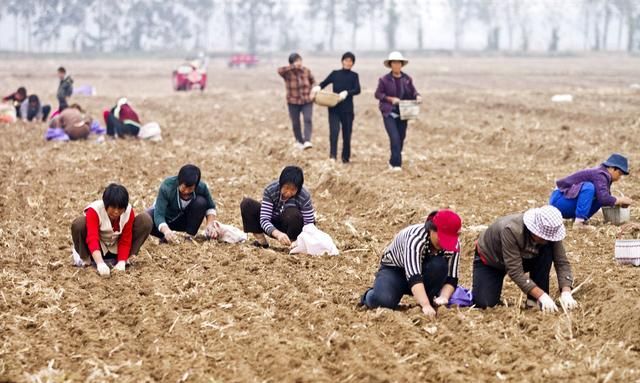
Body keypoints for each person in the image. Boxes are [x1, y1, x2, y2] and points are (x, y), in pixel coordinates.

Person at [472, 206, 578, 312]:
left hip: (525, 257)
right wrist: (542, 295)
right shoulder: (511, 229)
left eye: (548, 237)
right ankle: (539, 297)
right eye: (542, 237)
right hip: (492, 261)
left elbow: (562, 262)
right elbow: (515, 271)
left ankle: (534, 302)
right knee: (485, 304)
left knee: (547, 250)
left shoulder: (551, 233)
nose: (545, 240)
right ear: (533, 229)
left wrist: (566, 291)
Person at [359, 210, 462, 318]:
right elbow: (414, 277)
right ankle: (368, 296)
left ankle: (428, 298)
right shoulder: (415, 238)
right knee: (383, 301)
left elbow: (452, 278)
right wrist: (425, 305)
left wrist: (444, 297)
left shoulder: (454, 245)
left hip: (425, 271)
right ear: (431, 229)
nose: (444, 244)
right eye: (442, 238)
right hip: (396, 271)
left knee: (439, 265)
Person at [71, 183, 152, 277]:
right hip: (97, 248)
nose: (116, 212)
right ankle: (87, 261)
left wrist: (121, 261)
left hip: (116, 246)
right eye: (113, 207)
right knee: (79, 224)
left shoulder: (128, 212)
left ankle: (126, 259)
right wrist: (100, 263)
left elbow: (125, 239)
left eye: (120, 208)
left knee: (145, 220)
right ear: (106, 204)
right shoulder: (94, 210)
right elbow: (92, 238)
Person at [550, 153, 633, 230]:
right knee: (589, 187)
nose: (619, 177)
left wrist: (618, 203)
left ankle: (578, 219)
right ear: (612, 168)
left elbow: (605, 199)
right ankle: (579, 222)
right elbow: (604, 198)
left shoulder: (603, 175)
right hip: (559, 200)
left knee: (600, 196)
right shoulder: (600, 174)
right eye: (619, 173)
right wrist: (621, 200)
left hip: (564, 203)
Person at [240, 166, 315, 248]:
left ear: (299, 188)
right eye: (286, 188)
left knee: (294, 214)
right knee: (247, 204)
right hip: (272, 223)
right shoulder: (271, 190)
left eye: (293, 190)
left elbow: (309, 224)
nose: (288, 192)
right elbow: (264, 219)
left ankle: (293, 244)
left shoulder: (304, 196)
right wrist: (278, 234)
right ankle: (261, 242)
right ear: (281, 184)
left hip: (291, 225)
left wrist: (300, 240)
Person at [374, 51, 422, 171]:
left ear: (401, 64)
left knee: (401, 138)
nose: (396, 65)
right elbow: (378, 94)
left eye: (398, 63)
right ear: (390, 65)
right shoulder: (384, 80)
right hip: (389, 113)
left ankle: (392, 161)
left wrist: (418, 96)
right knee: (394, 137)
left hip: (403, 112)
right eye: (394, 63)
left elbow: (413, 91)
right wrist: (390, 99)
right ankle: (397, 165)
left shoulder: (407, 79)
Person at [147, 164, 219, 243]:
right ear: (179, 181)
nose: (186, 191)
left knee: (201, 202)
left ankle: (188, 237)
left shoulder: (202, 187)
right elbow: (159, 214)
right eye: (184, 187)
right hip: (166, 220)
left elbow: (210, 207)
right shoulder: (167, 186)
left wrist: (209, 225)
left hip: (184, 221)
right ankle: (166, 237)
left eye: (190, 188)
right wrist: (166, 231)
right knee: (147, 217)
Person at [314, 52, 361, 163]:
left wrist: (347, 93)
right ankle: (333, 156)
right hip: (334, 108)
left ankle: (345, 158)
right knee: (334, 132)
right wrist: (318, 87)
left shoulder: (354, 76)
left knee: (347, 134)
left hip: (348, 110)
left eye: (350, 61)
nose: (348, 63)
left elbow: (357, 90)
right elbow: (324, 83)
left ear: (353, 63)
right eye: (346, 60)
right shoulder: (335, 74)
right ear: (342, 61)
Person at [278, 53, 316, 150]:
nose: (299, 63)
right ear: (291, 63)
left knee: (308, 119)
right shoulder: (287, 73)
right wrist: (292, 67)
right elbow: (279, 71)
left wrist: (313, 91)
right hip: (293, 101)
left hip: (307, 100)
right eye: (296, 61)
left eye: (300, 60)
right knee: (295, 122)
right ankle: (299, 141)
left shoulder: (306, 71)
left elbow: (313, 82)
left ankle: (307, 140)